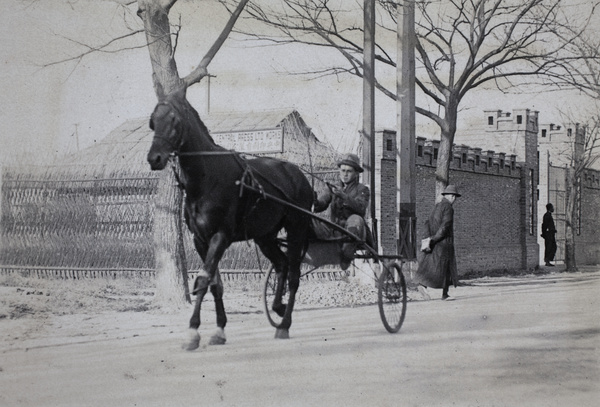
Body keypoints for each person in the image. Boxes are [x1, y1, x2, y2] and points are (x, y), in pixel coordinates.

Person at [313, 153, 370, 270]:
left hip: (354, 232)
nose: (345, 174)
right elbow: (321, 205)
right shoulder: (332, 189)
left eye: (349, 171)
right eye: (343, 170)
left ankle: (346, 256)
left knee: (356, 219)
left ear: (356, 174)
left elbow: (361, 208)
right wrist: (314, 200)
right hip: (335, 230)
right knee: (311, 219)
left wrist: (343, 196)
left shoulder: (362, 189)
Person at [415, 184, 461, 300]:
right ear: (450, 196)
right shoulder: (449, 208)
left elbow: (427, 222)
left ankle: (422, 285)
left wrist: (429, 239)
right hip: (444, 242)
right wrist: (435, 238)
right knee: (446, 268)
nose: (454, 199)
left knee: (431, 265)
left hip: (434, 241)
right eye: (454, 196)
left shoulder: (437, 206)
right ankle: (444, 294)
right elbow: (445, 226)